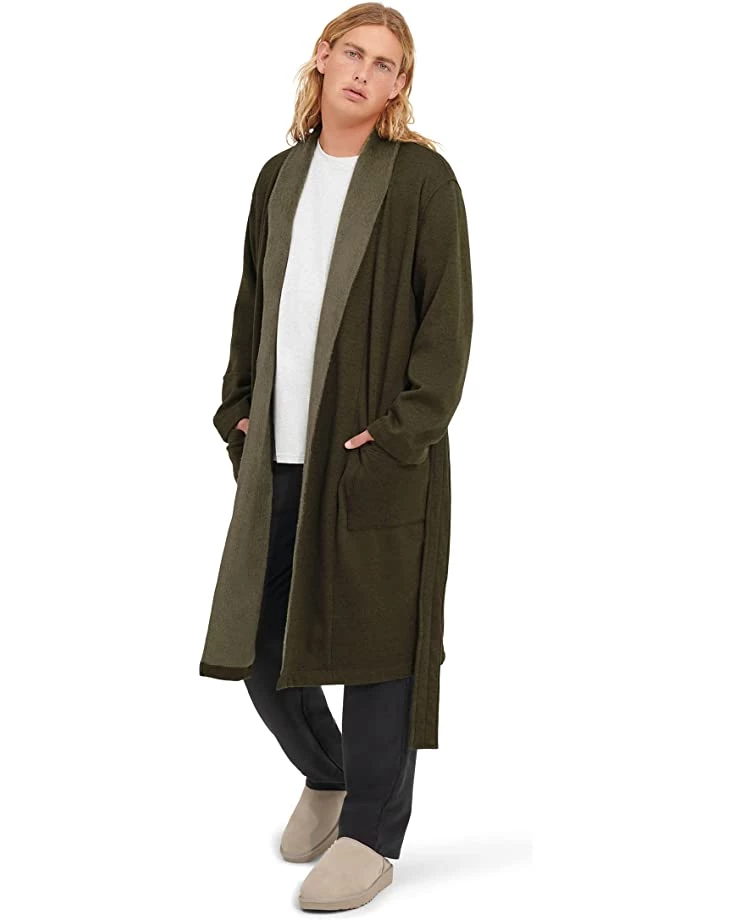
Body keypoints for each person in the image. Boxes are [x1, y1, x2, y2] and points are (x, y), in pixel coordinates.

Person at [199, 3, 473, 911]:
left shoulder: (421, 181)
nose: (363, 71)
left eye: (385, 64)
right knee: (257, 638)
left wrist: (398, 433)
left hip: (373, 455)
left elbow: (447, 326)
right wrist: (239, 408)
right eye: (352, 52)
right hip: (276, 452)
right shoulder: (279, 177)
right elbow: (252, 301)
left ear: (399, 86)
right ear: (322, 59)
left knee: (379, 648)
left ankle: (372, 836)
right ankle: (329, 773)